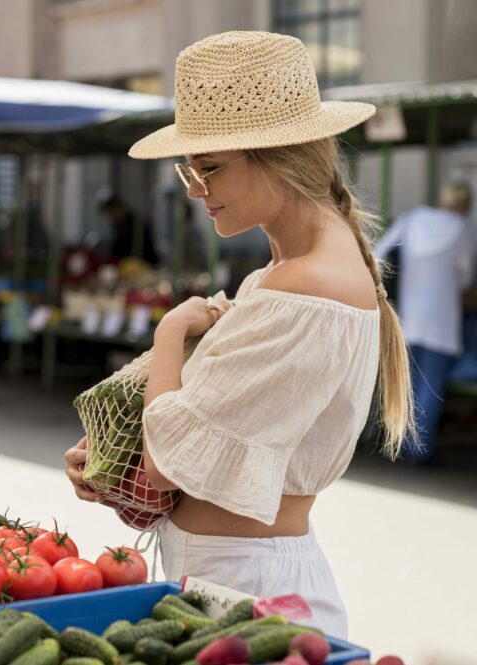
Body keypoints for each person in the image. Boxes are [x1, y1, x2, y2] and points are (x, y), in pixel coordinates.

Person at [65, 31, 416, 639]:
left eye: (207, 168)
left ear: (274, 154)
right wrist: (109, 458)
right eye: (189, 169)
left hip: (245, 587)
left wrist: (173, 330)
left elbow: (165, 465)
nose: (196, 189)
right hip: (238, 576)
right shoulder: (287, 276)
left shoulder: (303, 288)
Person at [374, 182, 475, 462]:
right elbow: (465, 278)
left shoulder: (413, 218)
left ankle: (398, 445)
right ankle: (418, 451)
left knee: (407, 385)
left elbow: (378, 253)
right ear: (465, 205)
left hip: (407, 318)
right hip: (443, 323)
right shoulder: (461, 229)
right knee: (431, 386)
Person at [98, 192, 159, 265]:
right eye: (109, 213)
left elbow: (146, 255)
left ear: (120, 208)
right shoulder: (117, 229)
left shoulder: (137, 226)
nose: (112, 216)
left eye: (113, 210)